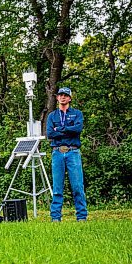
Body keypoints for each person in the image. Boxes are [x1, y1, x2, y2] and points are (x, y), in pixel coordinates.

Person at [46, 87, 88, 222]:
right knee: (57, 187)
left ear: (70, 98)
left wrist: (60, 129)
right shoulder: (52, 116)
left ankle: (81, 217)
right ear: (57, 98)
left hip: (73, 152)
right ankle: (55, 218)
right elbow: (50, 134)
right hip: (57, 152)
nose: (63, 97)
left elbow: (78, 129)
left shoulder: (77, 114)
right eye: (60, 95)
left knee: (77, 186)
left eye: (65, 95)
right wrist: (68, 130)